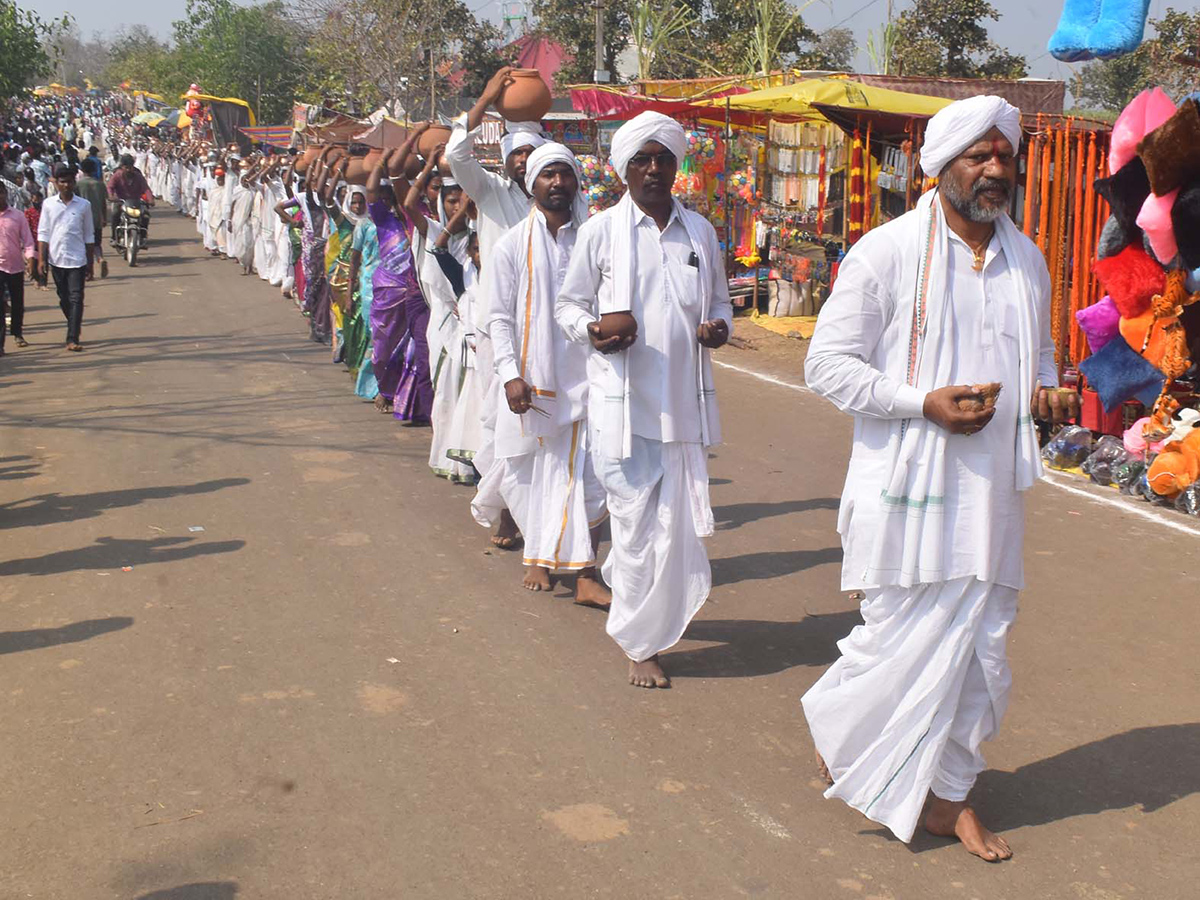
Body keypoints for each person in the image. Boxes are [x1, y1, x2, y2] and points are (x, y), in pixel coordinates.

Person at [799, 96, 1080, 862]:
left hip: (991, 491)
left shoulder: (1028, 257)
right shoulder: (886, 252)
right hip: (906, 487)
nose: (995, 169)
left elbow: (1042, 358)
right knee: (896, 639)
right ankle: (850, 729)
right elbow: (826, 365)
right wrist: (920, 403)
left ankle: (948, 796)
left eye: (1004, 156)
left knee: (982, 645)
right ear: (941, 166)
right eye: (977, 156)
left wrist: (1047, 395)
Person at [556, 111, 732, 689]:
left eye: (663, 159)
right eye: (642, 160)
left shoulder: (700, 232)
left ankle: (653, 626)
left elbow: (722, 304)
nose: (654, 168)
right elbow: (568, 306)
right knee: (633, 529)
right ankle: (641, 645)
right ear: (624, 169)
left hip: (682, 408)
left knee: (672, 532)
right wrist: (594, 332)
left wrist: (718, 329)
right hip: (621, 408)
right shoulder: (600, 232)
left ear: (677, 167)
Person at [472, 142, 611, 602]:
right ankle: (539, 553)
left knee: (589, 477)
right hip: (533, 380)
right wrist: (511, 373)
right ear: (531, 184)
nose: (557, 183)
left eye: (564, 174)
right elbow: (498, 317)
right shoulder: (512, 244)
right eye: (547, 175)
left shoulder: (593, 238)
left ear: (575, 181)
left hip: (588, 375)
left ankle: (585, 570)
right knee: (531, 475)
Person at [446, 65, 547, 550]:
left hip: (549, 329)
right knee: (500, 421)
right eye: (518, 155)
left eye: (533, 154)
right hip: (497, 328)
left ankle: (541, 512)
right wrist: (487, 97)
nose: (525, 162)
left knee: (544, 422)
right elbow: (455, 153)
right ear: (506, 161)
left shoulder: (564, 199)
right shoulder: (488, 193)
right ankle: (503, 509)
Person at [37, 163, 94, 351]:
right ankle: (73, 322)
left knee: (76, 297)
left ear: (74, 183)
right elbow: (43, 234)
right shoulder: (48, 205)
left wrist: (90, 262)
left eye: (69, 182)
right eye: (63, 182)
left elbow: (88, 236)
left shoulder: (84, 206)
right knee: (64, 298)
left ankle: (72, 337)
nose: (66, 186)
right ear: (57, 184)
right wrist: (42, 259)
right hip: (56, 259)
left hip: (77, 260)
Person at [0, 181, 36, 354]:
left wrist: (31, 260)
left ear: (5, 194)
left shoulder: (17, 216)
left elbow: (28, 241)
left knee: (17, 303)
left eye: (1, 192)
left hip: (15, 266)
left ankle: (17, 333)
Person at [75, 157, 108, 278]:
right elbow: (104, 203)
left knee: (85, 246)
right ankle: (100, 258)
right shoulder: (99, 184)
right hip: (97, 218)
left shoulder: (79, 184)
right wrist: (104, 218)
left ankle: (89, 272)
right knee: (97, 243)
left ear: (82, 170)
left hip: (83, 219)